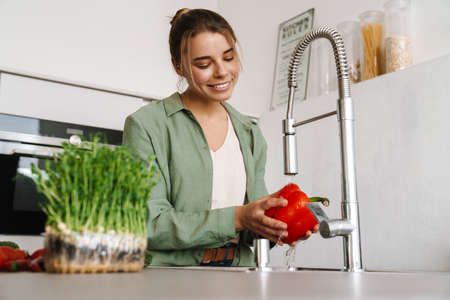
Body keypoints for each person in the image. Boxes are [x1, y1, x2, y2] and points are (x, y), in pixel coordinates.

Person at [123, 8, 316, 267]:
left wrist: (279, 225)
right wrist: (239, 217)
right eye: (204, 64)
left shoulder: (249, 132)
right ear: (178, 66)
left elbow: (251, 228)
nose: (222, 72)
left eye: (228, 57)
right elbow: (149, 224)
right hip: (172, 279)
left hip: (240, 273)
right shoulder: (147, 126)